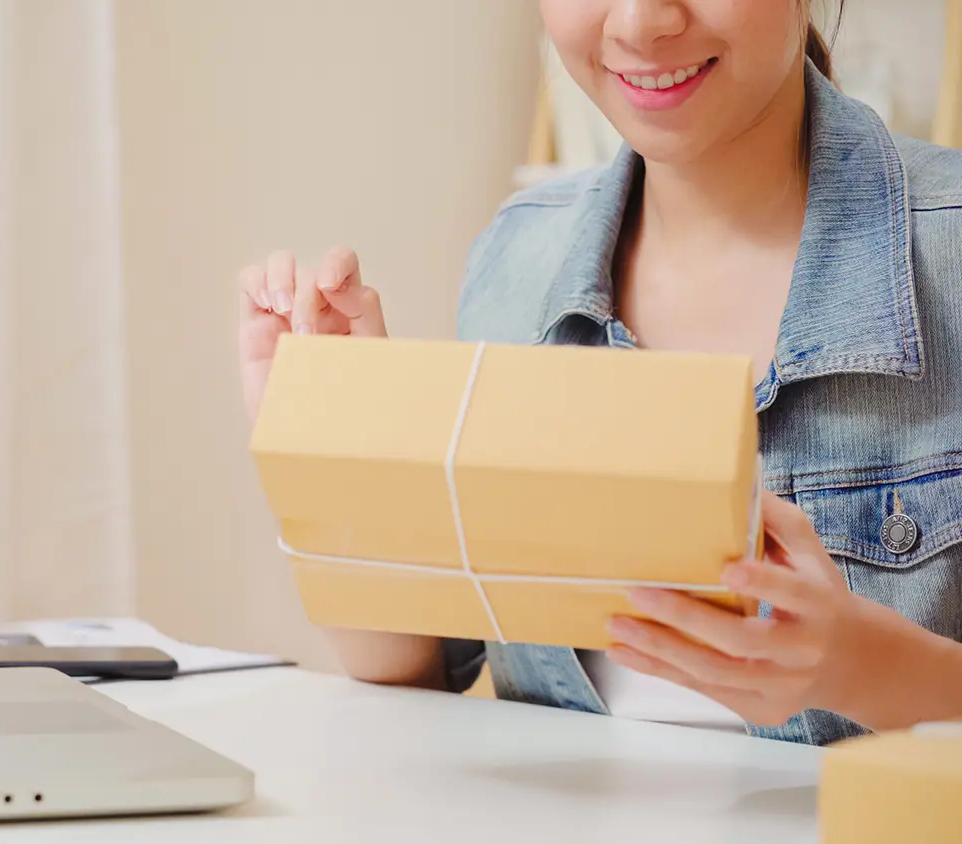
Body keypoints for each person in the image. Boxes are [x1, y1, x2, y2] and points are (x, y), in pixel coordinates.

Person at [237, 0, 962, 746]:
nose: (641, 23)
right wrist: (334, 454)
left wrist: (859, 665)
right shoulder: (517, 259)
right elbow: (427, 679)